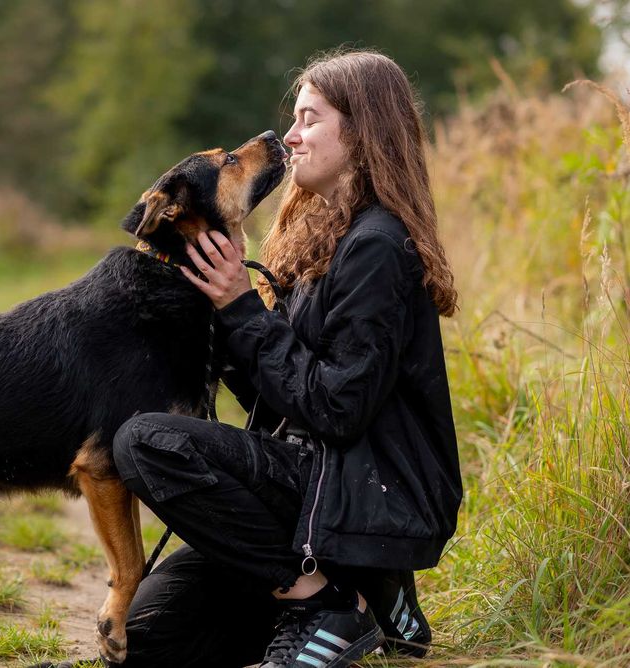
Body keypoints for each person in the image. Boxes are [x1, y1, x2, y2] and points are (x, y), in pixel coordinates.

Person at [106, 49, 462, 668]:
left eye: (309, 119)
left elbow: (336, 409)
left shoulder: (377, 249)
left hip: (367, 492)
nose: (290, 137)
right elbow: (280, 397)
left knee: (145, 442)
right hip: (318, 483)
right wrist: (219, 312)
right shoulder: (326, 237)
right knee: (152, 640)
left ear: (363, 131)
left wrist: (245, 310)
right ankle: (372, 596)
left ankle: (324, 606)